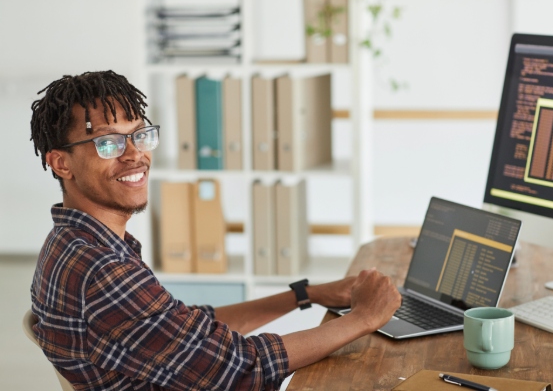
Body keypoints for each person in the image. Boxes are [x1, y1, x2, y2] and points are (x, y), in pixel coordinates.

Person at [29, 70, 402, 391]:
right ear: (62, 163)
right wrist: (364, 319)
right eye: (108, 142)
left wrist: (306, 294)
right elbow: (242, 369)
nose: (134, 154)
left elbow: (186, 329)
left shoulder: (77, 242)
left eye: (140, 135)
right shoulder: (100, 268)